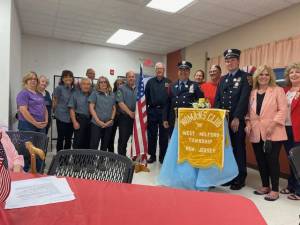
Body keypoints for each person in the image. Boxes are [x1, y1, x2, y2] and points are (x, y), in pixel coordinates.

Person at [245, 65, 287, 201]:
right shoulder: (252, 93)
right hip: (256, 132)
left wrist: (273, 124)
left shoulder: (277, 90)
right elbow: (249, 113)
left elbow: (282, 110)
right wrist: (248, 123)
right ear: (257, 77)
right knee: (261, 160)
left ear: (270, 77)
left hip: (273, 131)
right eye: (261, 74)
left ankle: (275, 189)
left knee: (272, 160)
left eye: (267, 74)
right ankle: (265, 186)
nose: (264, 77)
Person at [214, 49, 251, 190]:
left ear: (238, 61)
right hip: (223, 120)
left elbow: (243, 99)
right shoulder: (223, 79)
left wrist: (237, 117)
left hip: (236, 120)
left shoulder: (246, 77)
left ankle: (240, 178)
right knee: (226, 149)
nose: (230, 63)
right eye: (227, 61)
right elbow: (218, 99)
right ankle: (229, 176)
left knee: (238, 148)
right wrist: (217, 117)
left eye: (232, 60)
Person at [163, 61, 204, 136]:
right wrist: (165, 118)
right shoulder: (171, 85)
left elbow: (200, 103)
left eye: (186, 70)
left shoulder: (195, 86)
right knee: (174, 143)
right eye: (181, 70)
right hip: (173, 119)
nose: (183, 72)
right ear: (178, 72)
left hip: (189, 121)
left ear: (189, 72)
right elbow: (167, 103)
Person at [281, 63, 300, 200]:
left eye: (297, 72)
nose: (294, 74)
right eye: (291, 72)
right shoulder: (285, 90)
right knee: (290, 158)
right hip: (285, 128)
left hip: (298, 129)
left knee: (298, 159)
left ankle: (299, 191)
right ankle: (291, 185)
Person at [145, 62, 170, 164]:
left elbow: (170, 98)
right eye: (157, 69)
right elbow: (145, 97)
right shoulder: (150, 82)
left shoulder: (168, 82)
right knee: (152, 135)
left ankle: (162, 156)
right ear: (155, 70)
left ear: (164, 70)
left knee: (164, 136)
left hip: (164, 112)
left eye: (161, 69)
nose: (159, 70)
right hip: (152, 111)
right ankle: (152, 156)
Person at [89, 76, 116, 151]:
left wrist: (111, 120)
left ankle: (101, 161)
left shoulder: (112, 94)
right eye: (101, 82)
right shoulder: (95, 93)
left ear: (107, 83)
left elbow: (114, 108)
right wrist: (98, 121)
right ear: (98, 84)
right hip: (96, 124)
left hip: (108, 124)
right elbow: (91, 108)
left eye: (105, 82)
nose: (103, 83)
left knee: (105, 144)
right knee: (94, 144)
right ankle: (91, 161)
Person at [116, 71, 137, 156]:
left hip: (136, 118)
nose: (131, 78)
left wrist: (136, 113)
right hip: (124, 118)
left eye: (133, 77)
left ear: (135, 78)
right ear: (126, 78)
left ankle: (134, 157)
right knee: (123, 139)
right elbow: (120, 102)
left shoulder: (139, 89)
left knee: (135, 140)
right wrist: (130, 113)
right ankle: (121, 158)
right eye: (129, 77)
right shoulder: (121, 88)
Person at [53, 70, 74, 151]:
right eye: (65, 77)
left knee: (69, 139)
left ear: (72, 78)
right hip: (61, 117)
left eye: (70, 76)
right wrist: (55, 113)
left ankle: (66, 158)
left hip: (71, 118)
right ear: (62, 78)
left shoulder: (73, 90)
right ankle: (59, 157)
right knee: (61, 138)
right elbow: (55, 102)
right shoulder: (59, 88)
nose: (68, 78)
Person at [68, 78, 92, 149]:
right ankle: (76, 159)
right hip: (80, 120)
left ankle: (87, 159)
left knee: (88, 141)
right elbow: (71, 109)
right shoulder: (75, 94)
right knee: (78, 141)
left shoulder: (93, 95)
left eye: (88, 84)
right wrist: (74, 122)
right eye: (84, 84)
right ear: (80, 85)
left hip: (91, 120)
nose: (86, 86)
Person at [108, 78, 125, 153]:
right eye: (117, 84)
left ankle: (120, 154)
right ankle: (111, 154)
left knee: (122, 137)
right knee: (111, 136)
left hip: (123, 117)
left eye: (121, 84)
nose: (119, 85)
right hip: (113, 117)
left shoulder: (125, 93)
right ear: (115, 85)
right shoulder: (112, 94)